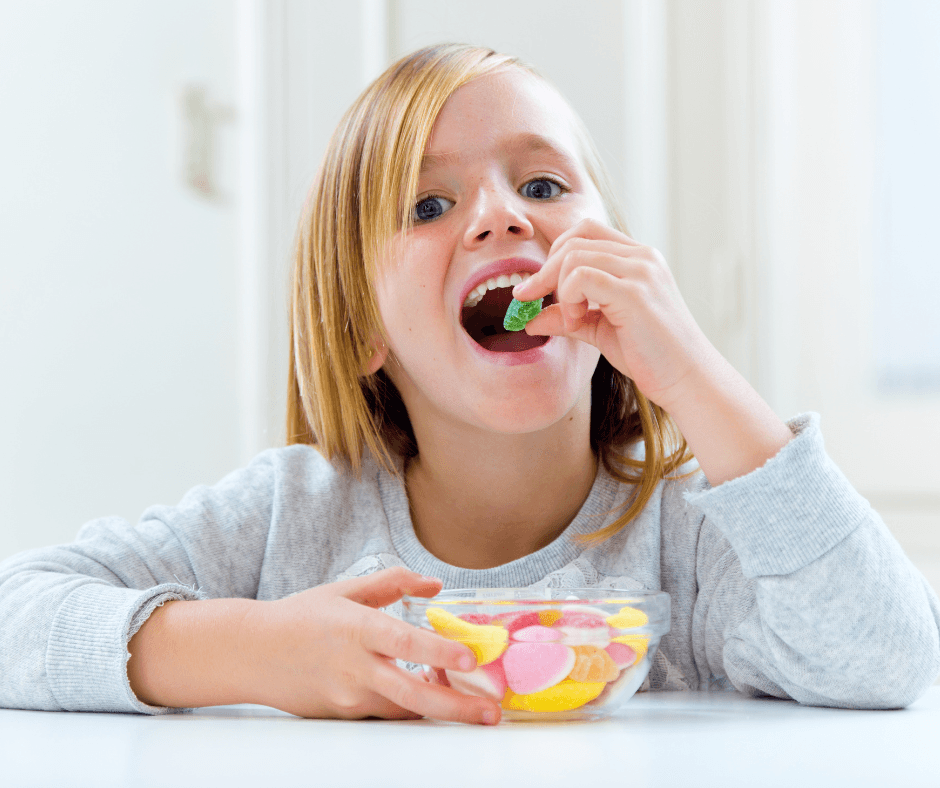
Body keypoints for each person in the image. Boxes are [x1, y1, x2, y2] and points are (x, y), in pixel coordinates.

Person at [1, 44, 938, 726]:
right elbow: (18, 614)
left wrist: (689, 367)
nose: (500, 217)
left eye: (541, 186)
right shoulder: (291, 519)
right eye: (430, 205)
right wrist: (256, 651)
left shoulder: (688, 540)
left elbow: (885, 654)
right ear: (362, 327)